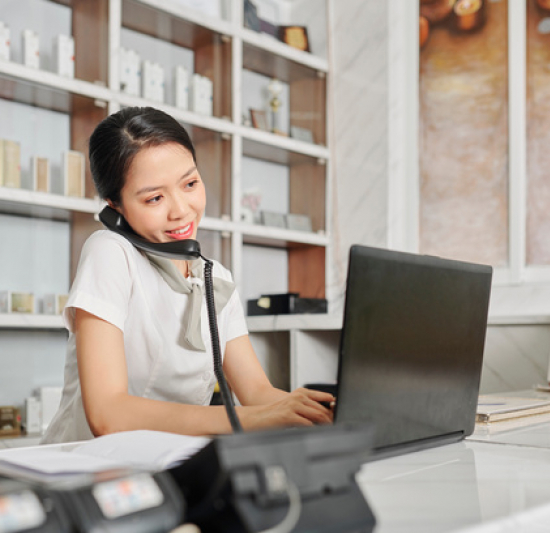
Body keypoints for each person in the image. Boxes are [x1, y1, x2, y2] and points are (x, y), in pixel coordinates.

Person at [42, 107, 334, 443]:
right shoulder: (110, 253)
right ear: (114, 205)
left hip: (168, 469)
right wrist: (252, 418)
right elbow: (108, 415)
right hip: (91, 474)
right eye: (154, 198)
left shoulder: (214, 276)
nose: (181, 210)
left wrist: (323, 410)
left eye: (190, 183)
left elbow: (256, 392)